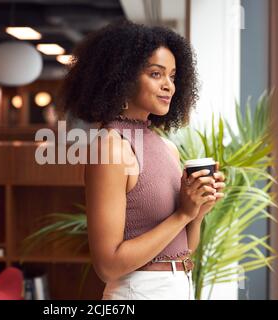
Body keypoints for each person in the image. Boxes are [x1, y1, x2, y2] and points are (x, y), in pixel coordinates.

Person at [59, 20, 226, 300]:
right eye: (156, 74)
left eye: (173, 76)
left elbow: (184, 249)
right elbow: (108, 266)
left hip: (178, 286)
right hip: (138, 292)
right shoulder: (111, 147)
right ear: (121, 78)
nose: (169, 86)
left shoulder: (166, 146)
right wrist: (183, 214)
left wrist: (198, 211)